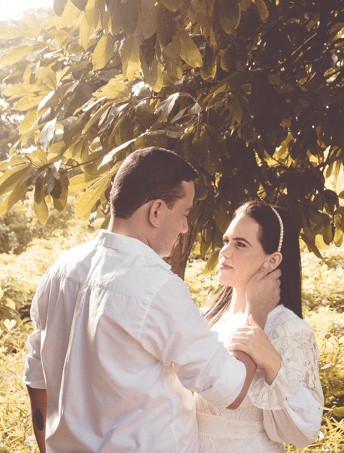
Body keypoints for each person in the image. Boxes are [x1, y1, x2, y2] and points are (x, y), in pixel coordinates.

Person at [23, 148, 277, 453]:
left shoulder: (60, 271)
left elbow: (37, 381)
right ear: (156, 212)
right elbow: (231, 389)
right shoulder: (157, 287)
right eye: (183, 214)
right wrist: (257, 313)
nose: (185, 227)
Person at [195, 201, 323, 452]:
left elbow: (303, 431)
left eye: (240, 244)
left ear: (272, 260)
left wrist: (273, 366)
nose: (225, 252)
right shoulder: (207, 318)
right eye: (226, 241)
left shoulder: (289, 329)